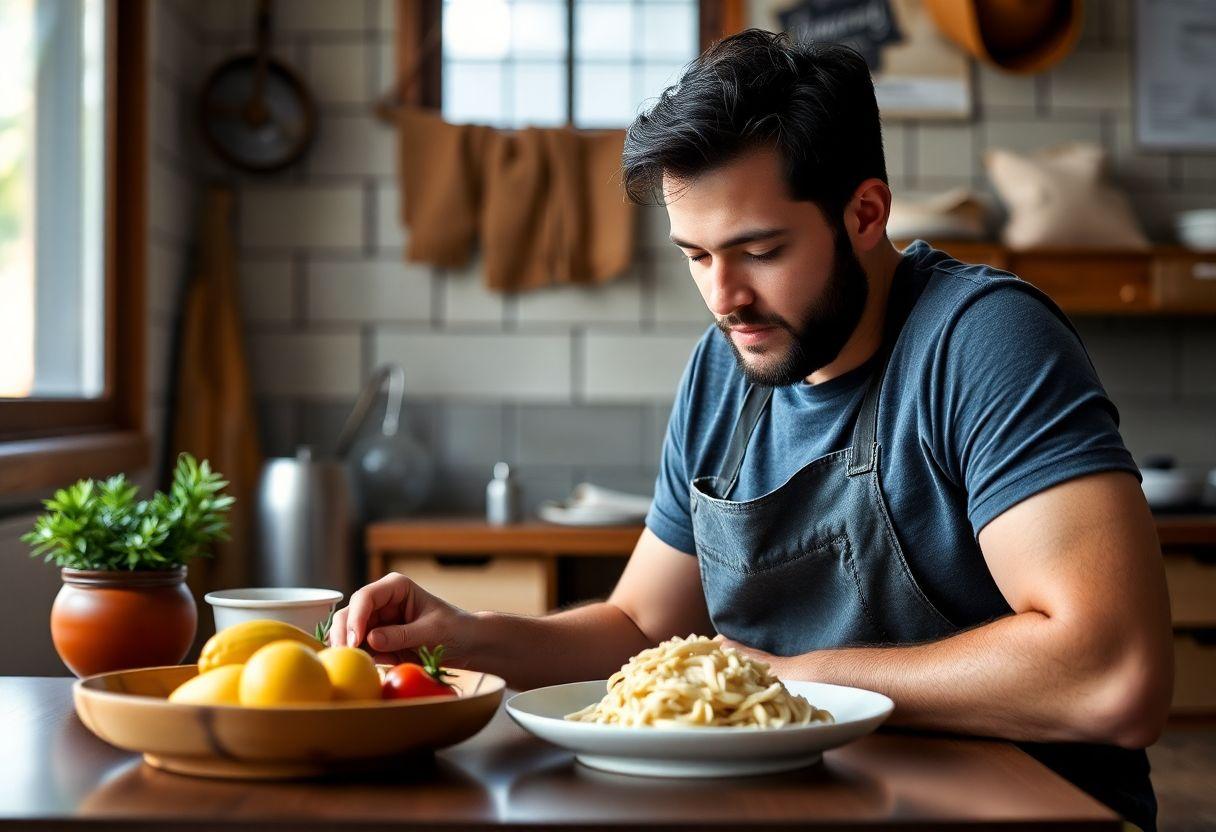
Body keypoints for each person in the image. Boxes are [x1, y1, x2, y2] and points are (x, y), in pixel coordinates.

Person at [332, 30, 1172, 831]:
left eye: (760, 250)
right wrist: (465, 636)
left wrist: (792, 679)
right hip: (815, 803)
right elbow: (639, 631)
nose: (724, 297)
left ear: (866, 213)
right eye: (696, 256)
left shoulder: (983, 340)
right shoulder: (723, 369)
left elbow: (1114, 673)